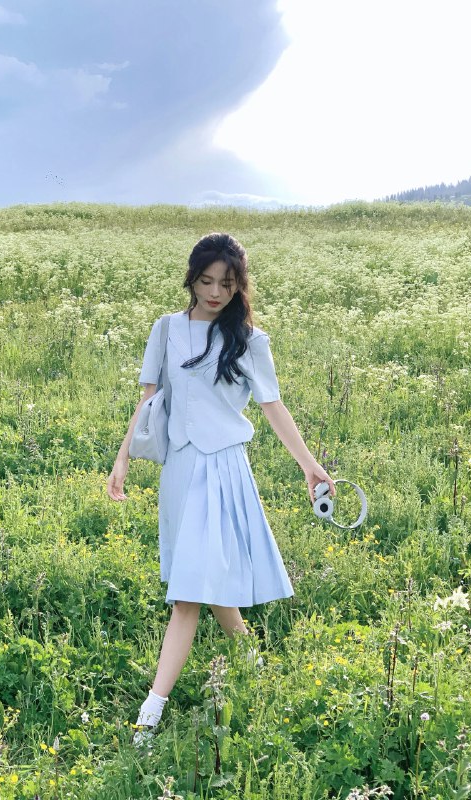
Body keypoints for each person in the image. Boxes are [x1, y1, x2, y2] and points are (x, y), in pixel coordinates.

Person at [106, 232, 336, 747]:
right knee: (203, 580)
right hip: (181, 470)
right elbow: (148, 401)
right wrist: (123, 459)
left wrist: (310, 466)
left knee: (189, 592)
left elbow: (273, 406)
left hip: (225, 469)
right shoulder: (166, 329)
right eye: (206, 281)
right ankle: (256, 665)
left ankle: (150, 713)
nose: (215, 293)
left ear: (239, 285)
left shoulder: (249, 339)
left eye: (227, 284)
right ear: (191, 278)